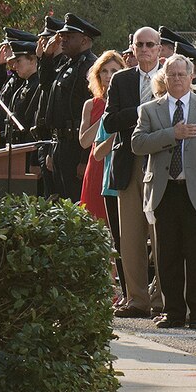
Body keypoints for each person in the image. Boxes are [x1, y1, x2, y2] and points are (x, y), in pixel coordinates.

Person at [130, 55, 196, 330]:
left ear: (191, 78)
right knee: (167, 255)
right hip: (164, 190)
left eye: (181, 75)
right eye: (171, 74)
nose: (176, 79)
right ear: (165, 78)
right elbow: (137, 144)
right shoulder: (150, 110)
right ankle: (173, 312)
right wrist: (172, 134)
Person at [103, 29, 162, 316]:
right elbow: (110, 121)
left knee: (161, 232)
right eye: (139, 44)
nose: (145, 49)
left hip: (162, 162)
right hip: (129, 161)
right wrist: (141, 111)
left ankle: (163, 299)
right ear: (133, 48)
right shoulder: (121, 79)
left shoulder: (172, 76)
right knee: (130, 236)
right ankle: (137, 299)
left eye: (150, 44)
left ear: (160, 48)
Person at [38, 12, 100, 199]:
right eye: (62, 36)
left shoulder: (91, 67)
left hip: (77, 146)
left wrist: (84, 159)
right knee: (61, 199)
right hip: (60, 143)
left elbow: (92, 115)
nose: (62, 40)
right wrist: (47, 56)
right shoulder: (67, 64)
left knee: (76, 200)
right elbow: (45, 84)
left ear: (84, 40)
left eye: (68, 37)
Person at [81, 50, 125, 259]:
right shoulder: (91, 105)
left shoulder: (128, 103)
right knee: (96, 228)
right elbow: (84, 141)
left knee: (119, 229)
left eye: (114, 71)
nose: (109, 76)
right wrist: (107, 117)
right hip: (97, 168)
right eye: (105, 72)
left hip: (119, 166)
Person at [0, 32, 44, 149]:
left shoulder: (29, 80)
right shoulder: (17, 78)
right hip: (10, 142)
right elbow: (1, 87)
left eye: (7, 47)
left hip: (23, 145)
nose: (5, 52)